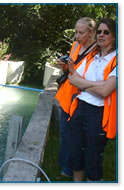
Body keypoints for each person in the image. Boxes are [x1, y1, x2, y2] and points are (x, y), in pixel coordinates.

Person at [67, 18, 117, 181]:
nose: (101, 35)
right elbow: (73, 78)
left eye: (106, 32)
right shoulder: (92, 56)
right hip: (80, 108)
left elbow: (105, 91)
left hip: (99, 113)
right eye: (99, 31)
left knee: (93, 158)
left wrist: (85, 84)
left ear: (115, 36)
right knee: (76, 153)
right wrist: (98, 85)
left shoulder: (117, 60)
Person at [55, 17, 97, 177]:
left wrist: (71, 69)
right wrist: (64, 65)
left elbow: (88, 78)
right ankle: (64, 166)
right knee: (65, 135)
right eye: (75, 32)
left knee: (75, 137)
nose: (76, 36)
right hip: (66, 95)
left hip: (81, 99)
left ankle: (68, 169)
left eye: (80, 33)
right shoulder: (75, 45)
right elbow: (69, 70)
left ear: (91, 32)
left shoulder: (97, 52)